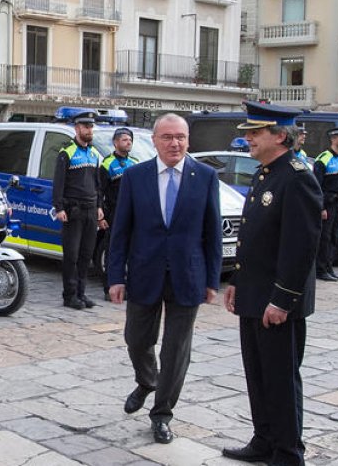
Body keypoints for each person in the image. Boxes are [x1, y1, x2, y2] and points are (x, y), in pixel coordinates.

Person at [107, 114, 221, 445]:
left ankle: (162, 414)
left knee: (176, 350)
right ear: (154, 141)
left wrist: (212, 279)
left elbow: (212, 232)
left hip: (188, 275)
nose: (175, 143)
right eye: (168, 137)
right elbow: (121, 232)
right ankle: (147, 380)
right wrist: (116, 276)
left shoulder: (206, 177)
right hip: (144, 272)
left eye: (181, 137)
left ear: (188, 140)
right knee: (137, 339)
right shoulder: (135, 176)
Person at [222, 100, 321, 466]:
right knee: (258, 374)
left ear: (280, 136)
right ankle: (264, 438)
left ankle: (288, 451)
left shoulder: (296, 176)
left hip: (278, 301)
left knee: (280, 378)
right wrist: (236, 280)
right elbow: (254, 237)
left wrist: (282, 300)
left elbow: (300, 247)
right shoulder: (266, 172)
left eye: (255, 132)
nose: (247, 138)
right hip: (254, 294)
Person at [52, 109, 103, 309]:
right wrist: (59, 207)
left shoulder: (95, 153)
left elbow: (97, 184)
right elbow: (59, 183)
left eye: (91, 127)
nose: (89, 130)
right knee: (71, 256)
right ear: (77, 128)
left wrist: (99, 206)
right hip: (73, 211)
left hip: (91, 210)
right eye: (85, 126)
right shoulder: (66, 153)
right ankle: (69, 295)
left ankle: (81, 293)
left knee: (85, 255)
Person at [98, 127, 136, 299]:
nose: (128, 142)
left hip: (132, 215)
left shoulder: (134, 163)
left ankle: (129, 286)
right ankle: (109, 288)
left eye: (130, 140)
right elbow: (99, 191)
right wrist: (102, 216)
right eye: (124, 139)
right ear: (115, 142)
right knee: (113, 251)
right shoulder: (107, 163)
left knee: (132, 252)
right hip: (113, 214)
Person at [313, 126, 338, 282]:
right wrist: (321, 207)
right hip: (328, 204)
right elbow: (317, 185)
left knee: (334, 237)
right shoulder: (324, 158)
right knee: (325, 237)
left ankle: (329, 267)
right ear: (333, 139)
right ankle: (320, 269)